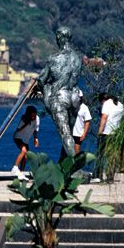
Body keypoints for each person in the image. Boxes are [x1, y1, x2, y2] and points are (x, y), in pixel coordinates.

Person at [36, 26, 83, 158]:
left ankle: (75, 169)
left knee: (65, 133)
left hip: (59, 98)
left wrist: (44, 87)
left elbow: (41, 80)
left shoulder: (54, 58)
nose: (56, 39)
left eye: (57, 37)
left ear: (61, 38)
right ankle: (65, 166)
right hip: (74, 97)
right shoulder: (78, 58)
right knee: (70, 134)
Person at [94, 92, 124, 183]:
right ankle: (110, 176)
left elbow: (104, 117)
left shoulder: (107, 104)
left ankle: (98, 176)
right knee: (112, 155)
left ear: (102, 100)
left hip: (106, 133)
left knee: (100, 154)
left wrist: (99, 131)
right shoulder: (120, 104)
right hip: (116, 133)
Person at [11, 105, 40, 180]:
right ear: (28, 114)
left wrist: (35, 138)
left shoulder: (37, 119)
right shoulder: (24, 118)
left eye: (34, 115)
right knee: (23, 151)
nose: (33, 117)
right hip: (18, 137)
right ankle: (15, 167)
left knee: (26, 155)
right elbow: (18, 130)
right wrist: (26, 124)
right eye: (32, 115)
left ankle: (21, 173)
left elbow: (35, 129)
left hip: (26, 139)